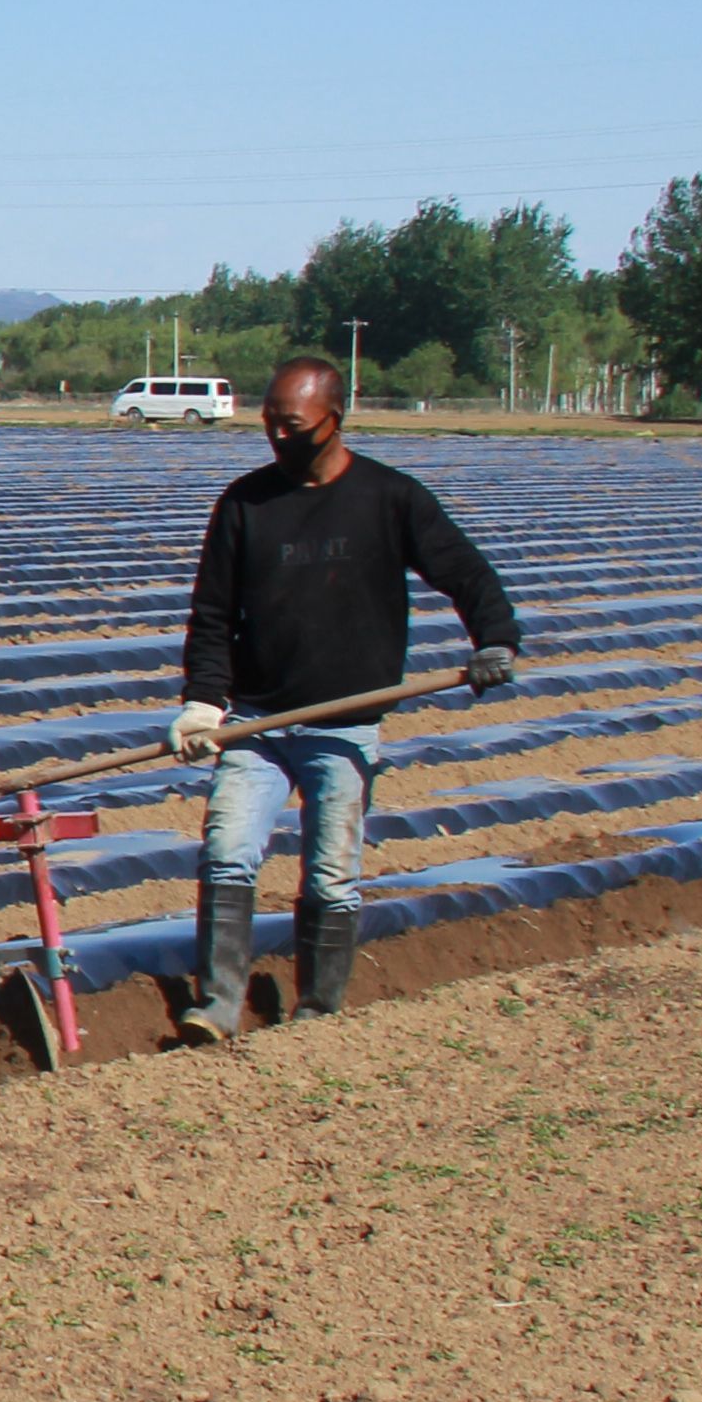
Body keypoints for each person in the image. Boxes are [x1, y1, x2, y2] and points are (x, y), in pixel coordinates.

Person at [166, 353, 524, 1037]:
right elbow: (212, 614)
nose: (276, 436)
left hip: (346, 725)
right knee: (227, 853)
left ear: (334, 420)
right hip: (259, 723)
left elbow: (465, 572)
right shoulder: (245, 504)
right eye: (268, 422)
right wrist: (205, 702)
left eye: (291, 425)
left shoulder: (390, 499)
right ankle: (217, 1004)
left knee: (331, 876)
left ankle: (318, 1013)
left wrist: (495, 640)